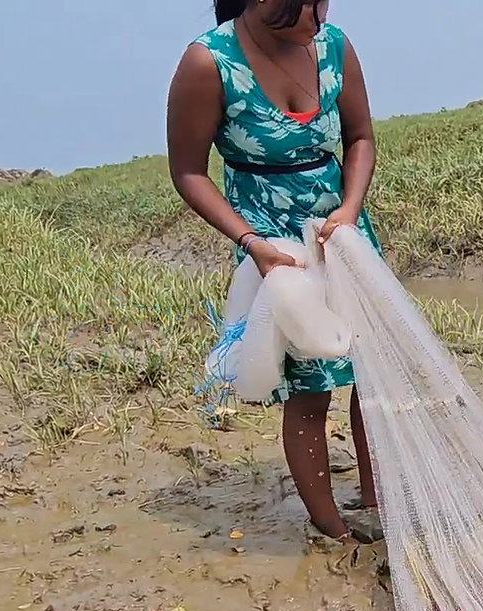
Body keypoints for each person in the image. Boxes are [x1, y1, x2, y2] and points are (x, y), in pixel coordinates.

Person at [166, 0, 382, 544]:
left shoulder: (334, 45)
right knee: (311, 385)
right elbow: (189, 171)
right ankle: (331, 526)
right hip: (272, 241)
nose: (314, 19)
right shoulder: (208, 63)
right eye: (297, 8)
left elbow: (360, 138)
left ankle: (380, 498)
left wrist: (350, 211)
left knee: (372, 373)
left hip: (342, 229)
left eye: (321, 3)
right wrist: (251, 243)